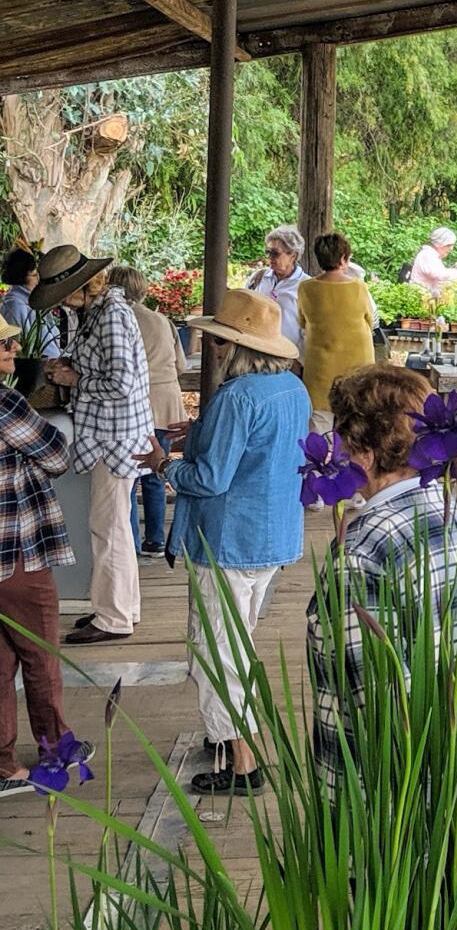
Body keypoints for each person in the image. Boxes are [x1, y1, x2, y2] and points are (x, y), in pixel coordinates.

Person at [307, 363, 457, 795]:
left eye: (341, 439)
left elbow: (373, 695)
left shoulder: (361, 552)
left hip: (386, 808)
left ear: (362, 452)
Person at [135, 289, 310, 795]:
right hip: (272, 534)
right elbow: (261, 450)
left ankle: (243, 760)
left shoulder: (236, 397)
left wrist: (164, 463)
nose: (212, 348)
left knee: (215, 653)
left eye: (217, 340)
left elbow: (210, 479)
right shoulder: (292, 391)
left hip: (227, 538)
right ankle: (236, 741)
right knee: (239, 643)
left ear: (233, 346)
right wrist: (201, 429)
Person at [38, 246, 153, 645]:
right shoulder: (100, 313)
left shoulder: (113, 316)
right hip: (112, 434)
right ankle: (121, 606)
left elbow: (120, 383)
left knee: (108, 530)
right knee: (114, 527)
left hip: (114, 437)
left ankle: (114, 616)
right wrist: (69, 365)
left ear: (83, 287)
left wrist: (74, 381)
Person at [0, 319, 94, 795]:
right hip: (15, 553)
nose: (15, 347)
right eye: (4, 343)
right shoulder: (5, 402)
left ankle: (3, 765)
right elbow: (57, 455)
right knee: (40, 655)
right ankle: (55, 747)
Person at [108, 266, 187, 558]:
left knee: (127, 478)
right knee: (155, 472)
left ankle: (129, 540)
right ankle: (155, 540)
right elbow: (181, 365)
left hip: (132, 404)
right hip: (165, 403)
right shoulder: (162, 320)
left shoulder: (115, 319)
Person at [297, 233, 375, 434]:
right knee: (353, 425)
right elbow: (370, 319)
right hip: (357, 368)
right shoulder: (358, 287)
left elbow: (302, 321)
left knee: (318, 426)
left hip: (319, 368)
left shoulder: (305, 288)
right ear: (343, 258)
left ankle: (315, 464)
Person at [244, 225, 310, 353]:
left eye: (275, 253)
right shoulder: (258, 278)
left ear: (293, 256)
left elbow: (309, 330)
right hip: (255, 352)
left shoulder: (305, 286)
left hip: (288, 357)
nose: (270, 257)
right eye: (268, 252)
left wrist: (299, 361)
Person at [1, 246, 60, 356]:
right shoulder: (16, 306)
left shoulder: (30, 301)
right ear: (21, 277)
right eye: (34, 275)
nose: (38, 279)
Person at [409, 227, 457, 294]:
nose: (451, 249)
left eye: (452, 245)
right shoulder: (428, 255)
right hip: (420, 296)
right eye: (449, 245)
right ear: (439, 243)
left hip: (427, 295)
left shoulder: (432, 255)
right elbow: (440, 275)